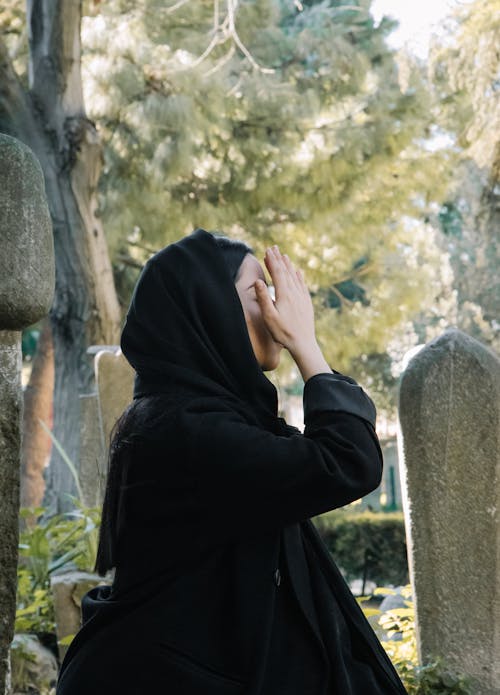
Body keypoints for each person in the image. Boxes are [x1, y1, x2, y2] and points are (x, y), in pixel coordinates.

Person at [56, 228, 408, 694]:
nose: (276, 309)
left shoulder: (201, 418)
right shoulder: (187, 432)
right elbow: (347, 460)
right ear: (209, 313)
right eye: (257, 292)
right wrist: (307, 346)